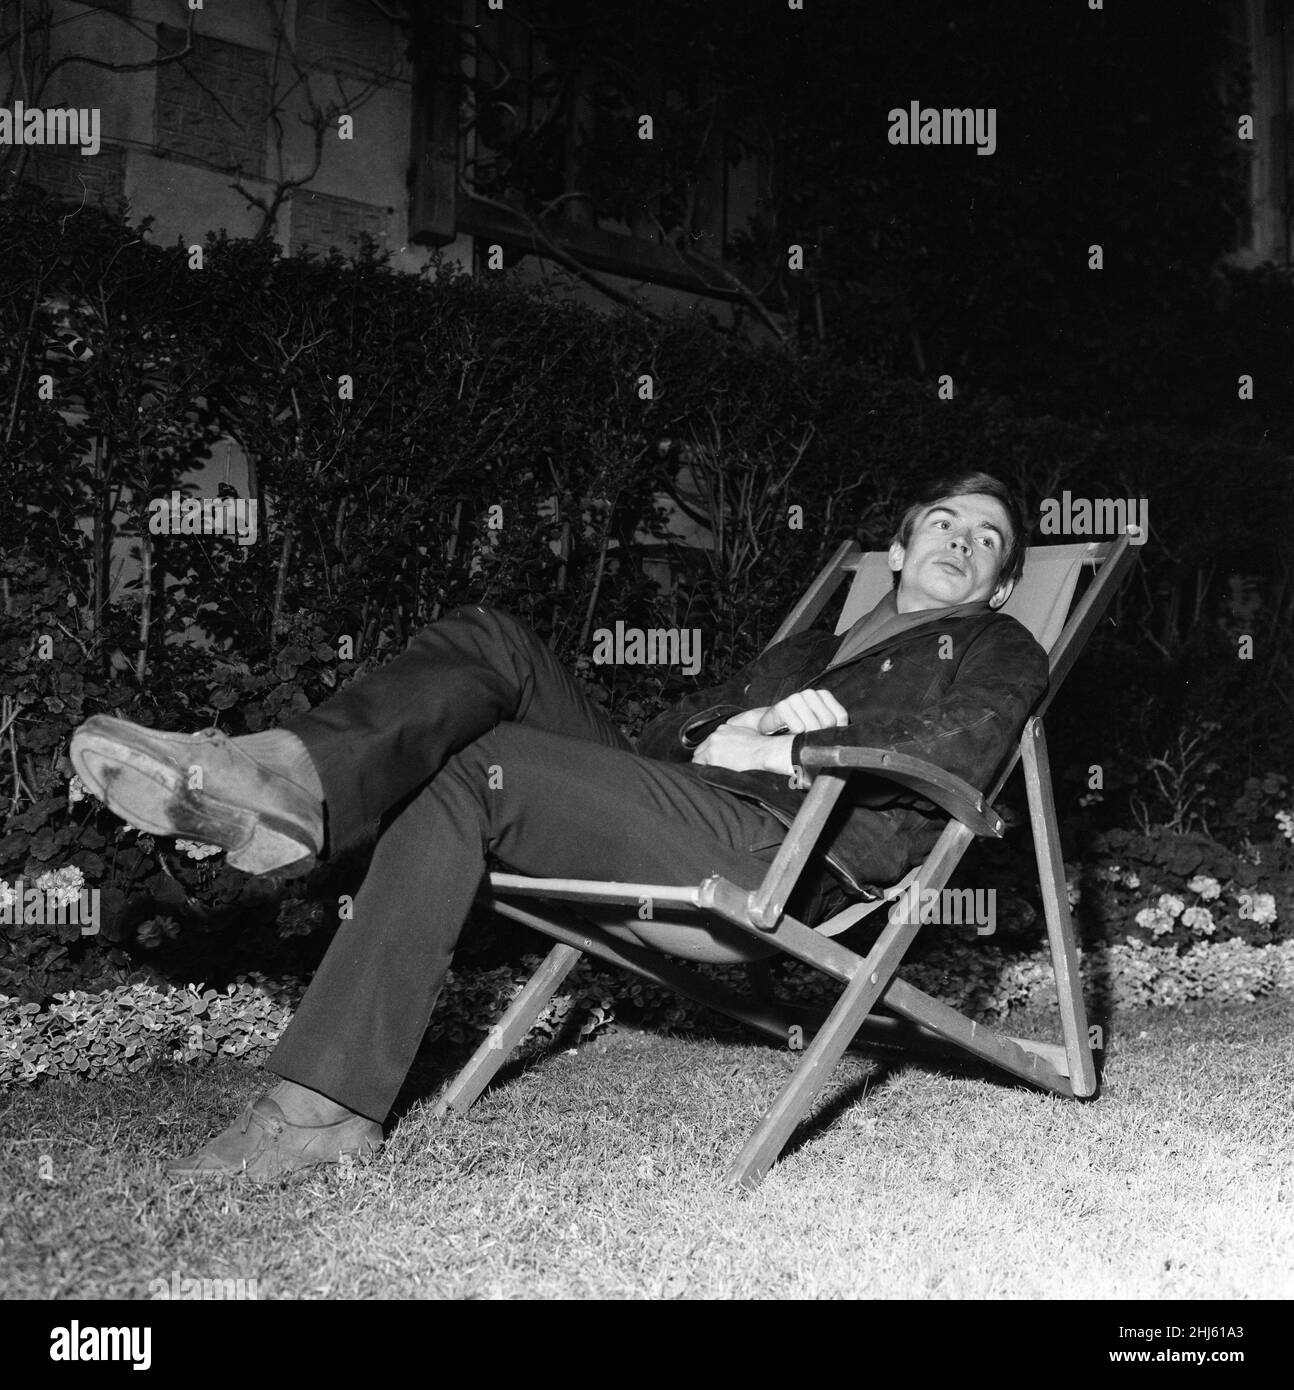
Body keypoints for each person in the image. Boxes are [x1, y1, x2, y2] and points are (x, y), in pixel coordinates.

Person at [70, 471, 1047, 1180]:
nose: (959, 542)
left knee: (474, 769)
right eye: (944, 523)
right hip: (684, 797)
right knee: (492, 638)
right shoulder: (811, 645)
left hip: (782, 841)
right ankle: (293, 775)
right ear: (902, 545)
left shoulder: (1000, 644)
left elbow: (965, 744)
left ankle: (317, 1106)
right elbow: (676, 734)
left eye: (987, 539)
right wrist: (731, 723)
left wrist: (783, 752)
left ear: (1000, 582)